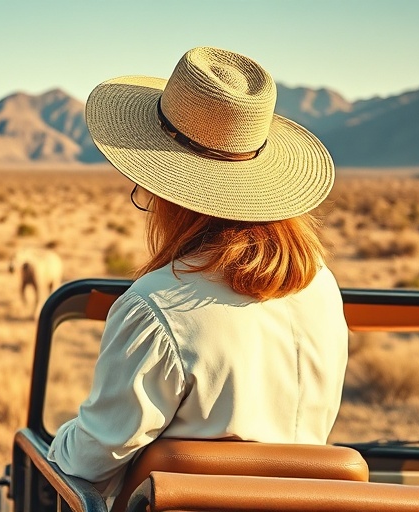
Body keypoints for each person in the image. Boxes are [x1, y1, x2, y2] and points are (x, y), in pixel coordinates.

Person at [47, 46, 349, 499]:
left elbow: (93, 459)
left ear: (165, 188)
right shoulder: (320, 285)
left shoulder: (157, 306)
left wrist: (58, 442)